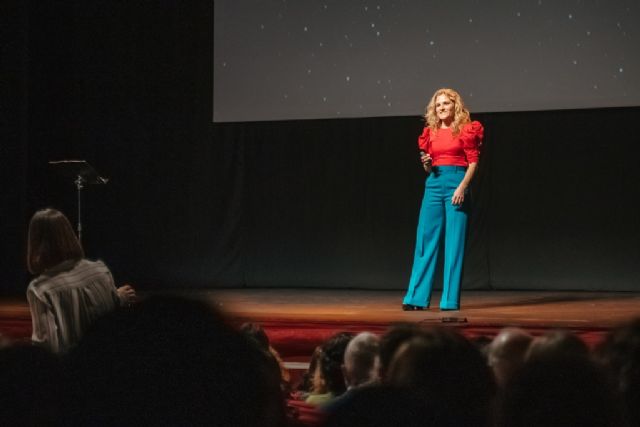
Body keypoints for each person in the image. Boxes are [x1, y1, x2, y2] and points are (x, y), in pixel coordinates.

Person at [403, 88, 483, 311]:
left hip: (457, 182)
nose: (441, 108)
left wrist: (462, 187)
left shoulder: (466, 129)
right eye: (438, 105)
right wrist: (427, 163)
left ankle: (449, 300)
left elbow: (473, 162)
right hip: (434, 183)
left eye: (446, 104)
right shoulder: (430, 132)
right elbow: (428, 168)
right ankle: (416, 298)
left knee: (454, 243)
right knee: (425, 239)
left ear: (454, 105)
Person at [25, 208, 136, 353]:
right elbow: (107, 314)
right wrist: (118, 297)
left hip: (75, 371)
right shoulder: (101, 270)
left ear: (34, 243)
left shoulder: (40, 290)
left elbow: (45, 348)